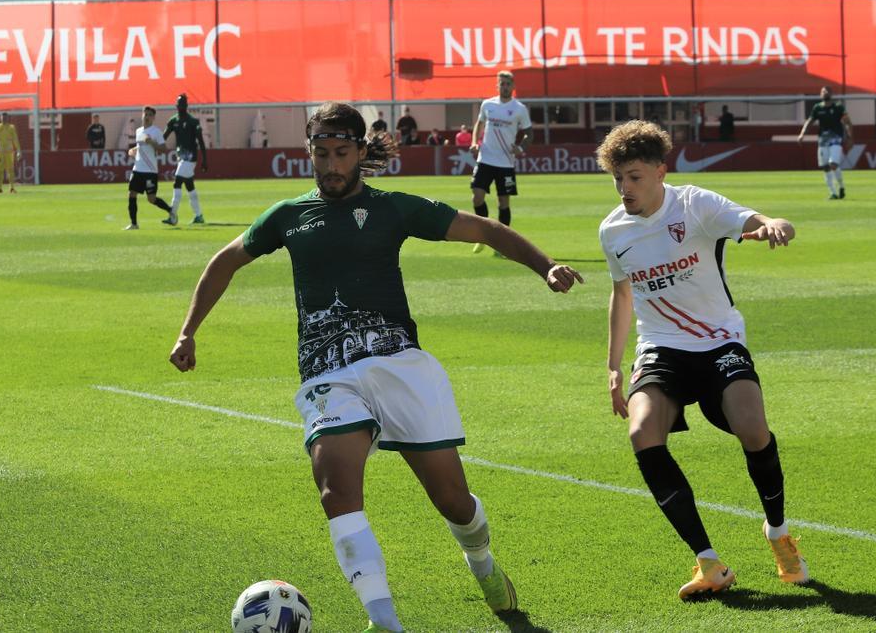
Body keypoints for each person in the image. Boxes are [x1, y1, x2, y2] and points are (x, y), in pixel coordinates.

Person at [168, 102, 583, 633]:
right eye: (321, 154)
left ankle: (482, 564)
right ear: (310, 154)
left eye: (342, 153)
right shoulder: (289, 216)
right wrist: (188, 330)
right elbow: (225, 260)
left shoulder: (393, 209)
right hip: (326, 373)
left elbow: (484, 230)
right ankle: (384, 621)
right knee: (335, 488)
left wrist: (545, 266)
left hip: (399, 365)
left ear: (362, 153)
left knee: (453, 501)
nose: (331, 165)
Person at [596, 120, 808, 600]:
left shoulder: (695, 204)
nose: (624, 189)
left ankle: (778, 533)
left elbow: (755, 221)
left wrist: (773, 225)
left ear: (659, 171)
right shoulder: (613, 230)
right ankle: (709, 563)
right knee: (642, 433)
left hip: (718, 341)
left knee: (754, 430)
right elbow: (622, 295)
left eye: (633, 177)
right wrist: (613, 365)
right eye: (617, 179)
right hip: (661, 347)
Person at [469, 71, 532, 255]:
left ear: (513, 87)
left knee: (503, 202)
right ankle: (483, 236)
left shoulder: (519, 108)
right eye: (501, 84)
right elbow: (479, 125)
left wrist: (520, 148)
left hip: (505, 163)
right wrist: (474, 142)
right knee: (477, 196)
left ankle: (503, 244)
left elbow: (529, 133)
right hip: (485, 159)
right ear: (497, 86)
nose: (504, 87)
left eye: (507, 84)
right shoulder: (488, 104)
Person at [123, 106, 175, 230]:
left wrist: (151, 142)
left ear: (153, 118)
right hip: (137, 169)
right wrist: (134, 150)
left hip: (150, 171)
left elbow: (163, 149)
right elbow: (140, 146)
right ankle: (134, 224)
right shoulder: (138, 131)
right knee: (131, 194)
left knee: (151, 199)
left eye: (149, 115)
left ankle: (171, 211)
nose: (146, 117)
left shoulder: (156, 132)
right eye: (145, 114)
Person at [797, 87, 852, 200]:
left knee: (833, 164)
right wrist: (802, 134)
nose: (825, 93)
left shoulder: (838, 107)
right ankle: (833, 193)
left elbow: (847, 122)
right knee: (825, 167)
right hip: (823, 140)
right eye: (823, 91)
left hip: (836, 139)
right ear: (820, 94)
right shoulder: (817, 108)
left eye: (827, 91)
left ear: (831, 93)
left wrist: (850, 136)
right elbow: (810, 121)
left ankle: (841, 186)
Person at [164, 93, 209, 225]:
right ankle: (199, 215)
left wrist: (204, 160)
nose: (180, 107)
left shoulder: (193, 122)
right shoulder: (173, 121)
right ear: (176, 106)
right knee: (189, 186)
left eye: (182, 104)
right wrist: (154, 145)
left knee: (177, 182)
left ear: (186, 106)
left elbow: (201, 142)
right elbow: (164, 136)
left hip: (190, 158)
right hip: (180, 157)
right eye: (178, 104)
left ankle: (172, 216)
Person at [0, 112, 21, 194]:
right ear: (0, 118)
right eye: (2, 117)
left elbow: (15, 139)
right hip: (0, 152)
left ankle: (12, 188)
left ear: (8, 118)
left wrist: (18, 150)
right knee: (0, 170)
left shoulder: (11, 128)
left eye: (5, 118)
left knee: (10, 170)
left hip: (9, 152)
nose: (4, 119)